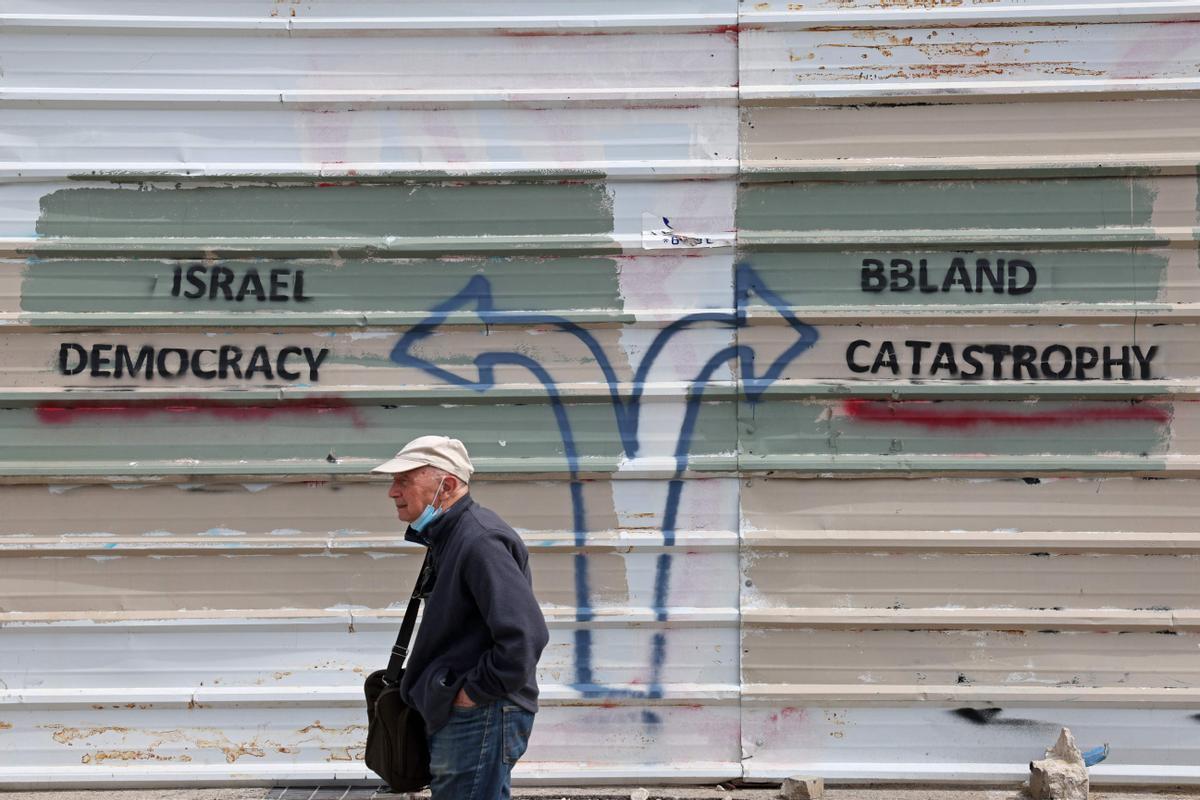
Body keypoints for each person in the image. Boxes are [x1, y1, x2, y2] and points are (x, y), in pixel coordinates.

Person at [373, 435, 549, 800]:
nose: (393, 491)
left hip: (479, 714)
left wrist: (470, 693)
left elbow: (525, 636)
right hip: (471, 712)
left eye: (403, 480)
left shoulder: (479, 540)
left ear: (447, 485)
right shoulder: (451, 535)